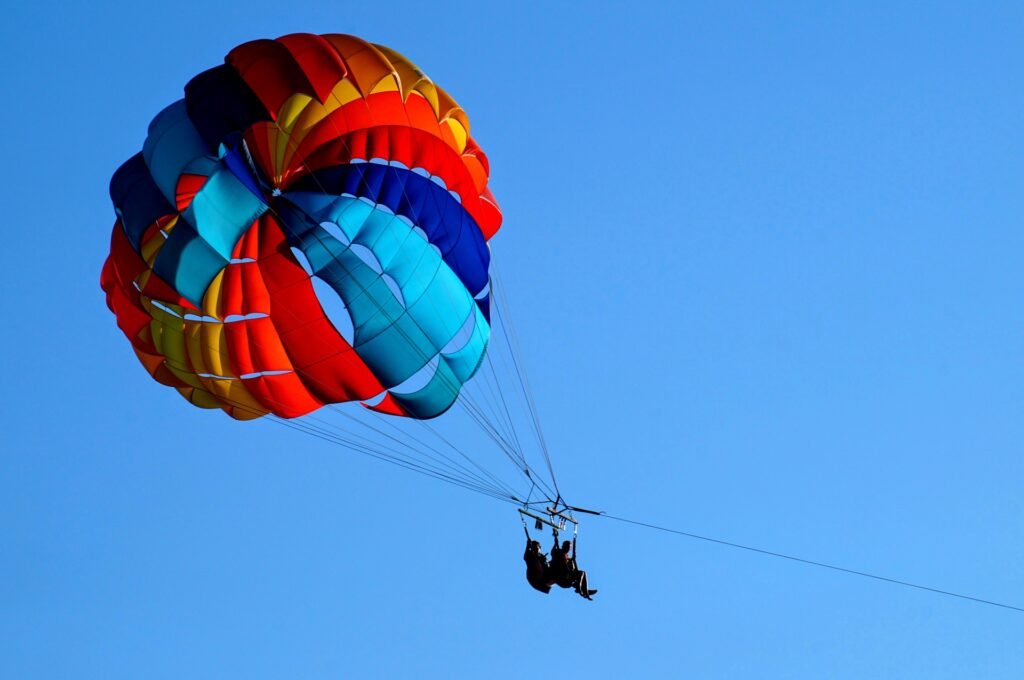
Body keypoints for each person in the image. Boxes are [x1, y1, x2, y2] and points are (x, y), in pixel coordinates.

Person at [548, 530, 597, 600]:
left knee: (583, 573)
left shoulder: (567, 557)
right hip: (560, 577)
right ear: (563, 546)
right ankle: (581, 589)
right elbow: (554, 549)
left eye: (569, 547)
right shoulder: (558, 552)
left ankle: (585, 592)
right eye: (566, 546)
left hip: (566, 578)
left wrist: (572, 560)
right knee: (581, 574)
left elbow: (573, 567)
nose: (567, 549)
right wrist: (556, 538)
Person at [523, 527, 552, 594]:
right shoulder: (530, 555)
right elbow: (525, 556)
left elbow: (547, 565)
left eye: (536, 548)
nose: (535, 550)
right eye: (533, 548)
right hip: (535, 578)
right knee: (534, 560)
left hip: (543, 577)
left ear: (539, 548)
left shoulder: (541, 556)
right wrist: (527, 545)